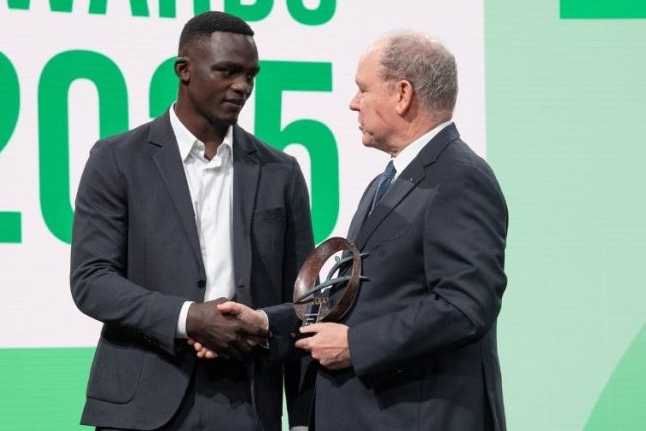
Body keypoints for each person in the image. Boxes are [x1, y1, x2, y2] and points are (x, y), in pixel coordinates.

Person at [210, 32, 509, 430]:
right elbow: (355, 298)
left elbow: (465, 305)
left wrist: (356, 344)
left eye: (363, 89)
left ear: (402, 94)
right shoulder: (386, 182)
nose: (354, 103)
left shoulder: (459, 178)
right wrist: (265, 322)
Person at [70, 11, 314, 430]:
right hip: (142, 403)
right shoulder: (117, 160)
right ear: (184, 70)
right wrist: (188, 318)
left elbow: (303, 302)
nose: (242, 86)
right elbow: (92, 281)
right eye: (227, 71)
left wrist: (304, 419)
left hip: (248, 403)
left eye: (250, 75)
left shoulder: (281, 171)